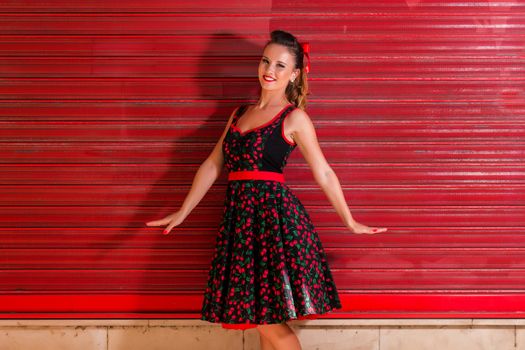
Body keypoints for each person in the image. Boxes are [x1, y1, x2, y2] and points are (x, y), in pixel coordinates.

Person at [146, 29, 387, 350]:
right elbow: (213, 164)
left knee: (267, 320)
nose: (269, 71)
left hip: (274, 225)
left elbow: (324, 172)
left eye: (280, 66)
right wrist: (183, 210)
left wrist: (349, 220)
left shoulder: (295, 117)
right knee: (261, 317)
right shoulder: (239, 114)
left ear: (295, 75)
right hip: (240, 225)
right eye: (265, 61)